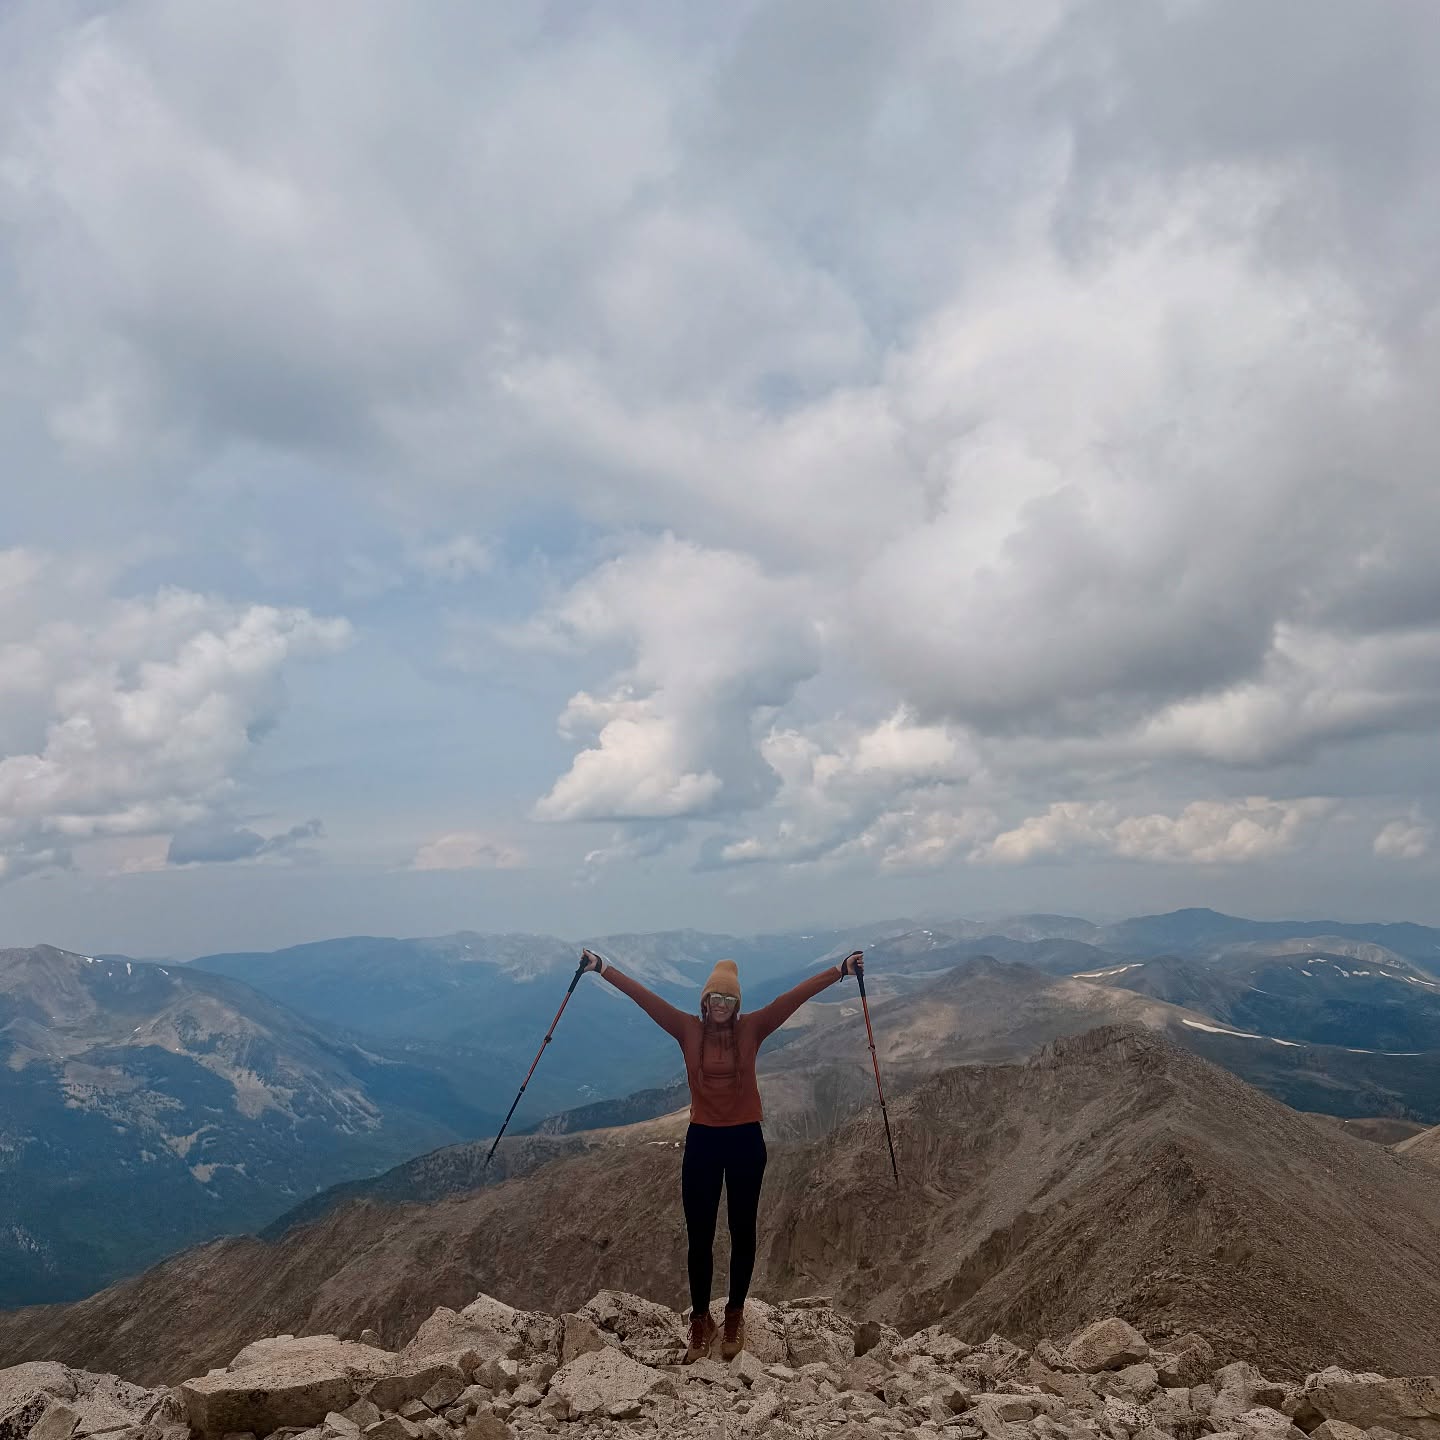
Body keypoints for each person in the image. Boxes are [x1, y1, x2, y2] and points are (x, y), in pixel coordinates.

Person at [578, 945, 865, 1364]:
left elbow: (793, 998)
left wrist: (839, 970)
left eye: (729, 998)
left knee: (742, 1231)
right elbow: (644, 998)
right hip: (703, 1141)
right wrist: (602, 968)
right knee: (699, 1237)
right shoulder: (686, 1029)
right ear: (705, 999)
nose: (721, 1004)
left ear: (736, 1003)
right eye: (715, 996)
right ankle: (700, 1320)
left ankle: (734, 1314)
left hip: (745, 1139)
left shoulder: (752, 1028)